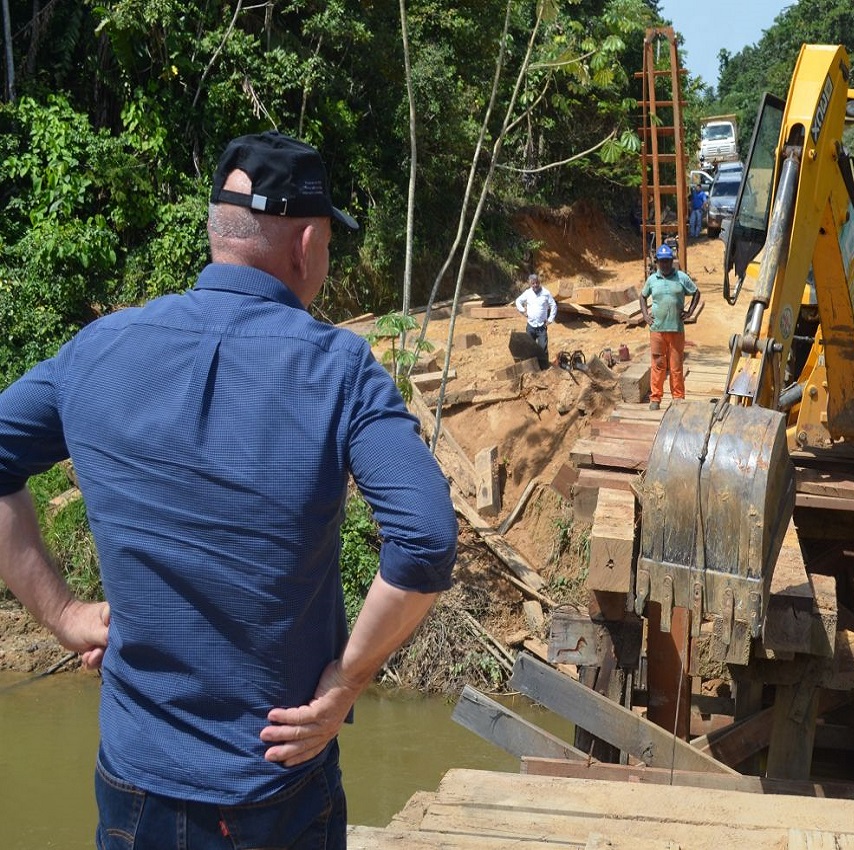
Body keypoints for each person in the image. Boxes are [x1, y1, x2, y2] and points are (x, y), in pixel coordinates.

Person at [0, 130, 458, 849]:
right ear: (306, 243)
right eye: (329, 245)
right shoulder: (338, 367)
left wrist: (61, 613)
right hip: (275, 785)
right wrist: (344, 683)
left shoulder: (98, 349)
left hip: (137, 790)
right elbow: (426, 537)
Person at [640, 244, 700, 411]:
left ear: (672, 261)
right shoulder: (652, 280)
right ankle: (656, 398)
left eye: (668, 261)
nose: (665, 264)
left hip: (676, 330)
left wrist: (690, 312)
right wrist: (645, 315)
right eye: (662, 261)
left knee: (676, 366)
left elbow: (696, 293)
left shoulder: (681, 278)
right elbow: (642, 297)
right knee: (658, 364)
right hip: (657, 330)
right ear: (657, 262)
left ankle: (678, 398)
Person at [515, 272, 557, 369]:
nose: (535, 285)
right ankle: (531, 368)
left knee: (543, 348)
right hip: (530, 326)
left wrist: (550, 319)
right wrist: (523, 311)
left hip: (542, 327)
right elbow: (518, 301)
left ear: (539, 282)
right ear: (530, 284)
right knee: (529, 347)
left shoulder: (546, 293)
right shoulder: (528, 293)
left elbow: (553, 305)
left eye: (537, 283)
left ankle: (544, 368)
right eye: (533, 283)